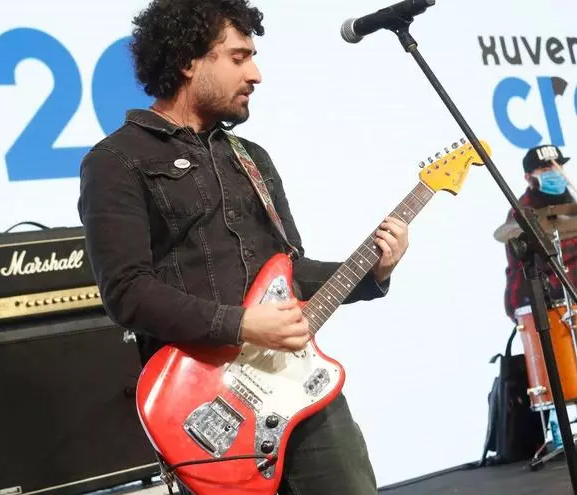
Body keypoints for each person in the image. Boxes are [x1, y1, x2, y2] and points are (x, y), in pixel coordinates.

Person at [76, 1, 409, 494]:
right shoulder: (116, 160)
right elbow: (127, 292)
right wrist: (241, 324)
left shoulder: (251, 158)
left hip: (301, 388)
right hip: (210, 404)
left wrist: (374, 271)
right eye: (239, 57)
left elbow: (290, 273)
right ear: (187, 61)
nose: (255, 74)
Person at [503, 144, 577, 319]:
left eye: (558, 165)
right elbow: (543, 257)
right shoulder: (522, 212)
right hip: (540, 304)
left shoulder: (568, 204)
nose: (555, 171)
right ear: (528, 177)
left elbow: (575, 256)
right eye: (546, 168)